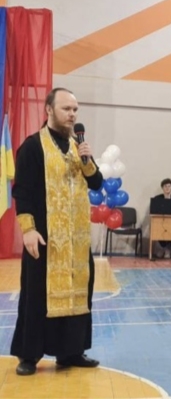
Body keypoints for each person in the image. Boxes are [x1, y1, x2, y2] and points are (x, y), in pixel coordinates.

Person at [11, 88, 103, 376]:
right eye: (66, 109)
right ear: (49, 110)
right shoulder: (32, 147)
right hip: (44, 237)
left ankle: (71, 351)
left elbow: (97, 183)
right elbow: (22, 192)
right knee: (37, 295)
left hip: (76, 241)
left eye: (75, 110)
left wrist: (88, 161)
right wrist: (28, 229)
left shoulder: (78, 147)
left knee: (78, 295)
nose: (72, 114)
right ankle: (29, 355)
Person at [150, 178, 171, 259]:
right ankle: (165, 248)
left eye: (169, 186)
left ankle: (166, 249)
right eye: (165, 186)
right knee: (157, 230)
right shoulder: (157, 199)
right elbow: (154, 211)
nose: (167, 188)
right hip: (160, 222)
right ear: (162, 188)